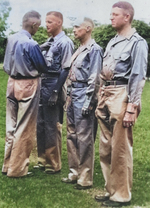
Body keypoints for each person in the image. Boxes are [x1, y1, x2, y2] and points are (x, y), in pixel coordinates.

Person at [95, 1, 148, 207]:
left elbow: (137, 75)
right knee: (106, 147)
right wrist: (101, 88)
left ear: (127, 17)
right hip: (107, 92)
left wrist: (132, 107)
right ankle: (111, 190)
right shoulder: (113, 41)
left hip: (122, 95)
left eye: (115, 14)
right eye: (111, 14)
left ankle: (122, 195)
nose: (111, 18)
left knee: (121, 148)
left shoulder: (137, 42)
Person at [2, 10, 52, 177]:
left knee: (11, 126)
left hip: (12, 82)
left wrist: (41, 46)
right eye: (38, 26)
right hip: (27, 84)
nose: (38, 28)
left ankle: (7, 165)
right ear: (34, 25)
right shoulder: (31, 44)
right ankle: (17, 170)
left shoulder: (12, 38)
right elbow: (42, 66)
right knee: (24, 127)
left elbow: (16, 55)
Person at [61, 17, 103, 189]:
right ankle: (74, 172)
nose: (74, 30)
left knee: (85, 137)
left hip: (84, 94)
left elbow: (95, 78)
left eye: (77, 27)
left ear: (87, 28)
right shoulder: (79, 50)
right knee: (71, 135)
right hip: (72, 94)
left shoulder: (95, 50)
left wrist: (89, 102)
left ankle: (85, 178)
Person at [35, 11, 74, 174]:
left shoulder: (65, 42)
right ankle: (42, 160)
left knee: (52, 125)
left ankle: (53, 163)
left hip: (54, 82)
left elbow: (66, 68)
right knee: (40, 124)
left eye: (50, 22)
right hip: (43, 82)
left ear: (59, 23)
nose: (46, 25)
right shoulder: (49, 42)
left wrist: (56, 91)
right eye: (46, 21)